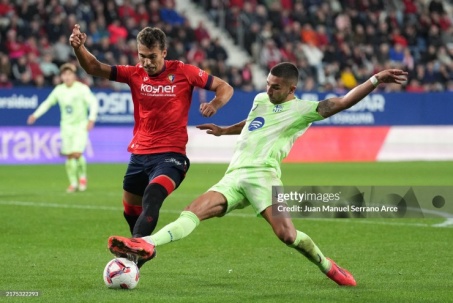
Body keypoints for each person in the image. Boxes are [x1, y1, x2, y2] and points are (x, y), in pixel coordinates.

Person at [108, 62, 408, 285]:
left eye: (276, 87)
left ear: (291, 88)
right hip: (235, 174)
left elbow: (342, 102)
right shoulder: (261, 100)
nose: (269, 89)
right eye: (267, 83)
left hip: (263, 177)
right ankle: (146, 244)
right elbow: (253, 122)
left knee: (287, 236)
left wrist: (375, 79)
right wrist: (225, 130)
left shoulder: (305, 109)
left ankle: (327, 264)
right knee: (193, 211)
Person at [69, 25, 233, 252]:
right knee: (130, 211)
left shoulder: (184, 71)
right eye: (142, 56)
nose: (146, 62)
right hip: (139, 155)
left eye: (152, 57)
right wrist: (80, 48)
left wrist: (215, 104)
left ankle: (135, 251)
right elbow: (94, 67)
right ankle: (136, 250)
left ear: (164, 53)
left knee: (152, 195)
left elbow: (224, 87)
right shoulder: (134, 73)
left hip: (171, 155)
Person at [27, 63, 98, 193]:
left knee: (77, 153)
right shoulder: (59, 90)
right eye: (64, 74)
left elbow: (93, 102)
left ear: (74, 75)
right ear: (61, 76)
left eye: (69, 74)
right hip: (66, 127)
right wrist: (35, 115)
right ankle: (73, 183)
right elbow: (47, 103)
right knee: (69, 156)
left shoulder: (82, 89)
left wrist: (91, 118)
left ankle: (82, 177)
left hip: (80, 126)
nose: (67, 77)